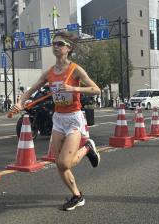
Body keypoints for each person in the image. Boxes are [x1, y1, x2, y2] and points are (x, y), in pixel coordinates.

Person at [12, 31, 101, 211]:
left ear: (69, 48)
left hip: (74, 118)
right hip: (59, 118)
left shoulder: (75, 69)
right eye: (54, 44)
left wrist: (73, 88)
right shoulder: (50, 73)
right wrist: (19, 103)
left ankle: (87, 148)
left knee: (64, 163)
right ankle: (77, 196)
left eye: (59, 44)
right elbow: (30, 91)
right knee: (58, 162)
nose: (55, 46)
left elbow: (96, 89)